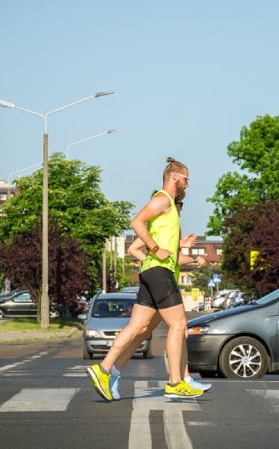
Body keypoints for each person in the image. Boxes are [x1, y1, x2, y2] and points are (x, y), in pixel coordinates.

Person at [87, 158, 204, 400]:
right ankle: (175, 382)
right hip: (158, 271)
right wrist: (152, 248)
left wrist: (183, 251)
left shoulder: (169, 206)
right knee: (179, 326)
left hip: (154, 270)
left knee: (138, 327)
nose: (187, 184)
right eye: (186, 178)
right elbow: (136, 223)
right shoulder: (162, 199)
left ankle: (104, 368)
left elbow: (171, 254)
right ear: (174, 176)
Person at [105, 199, 211, 399]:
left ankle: (112, 373)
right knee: (177, 329)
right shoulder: (156, 224)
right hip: (159, 279)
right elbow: (135, 249)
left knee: (141, 333)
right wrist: (194, 259)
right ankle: (181, 380)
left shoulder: (167, 230)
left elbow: (166, 254)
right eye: (177, 207)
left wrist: (180, 245)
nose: (178, 212)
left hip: (159, 278)